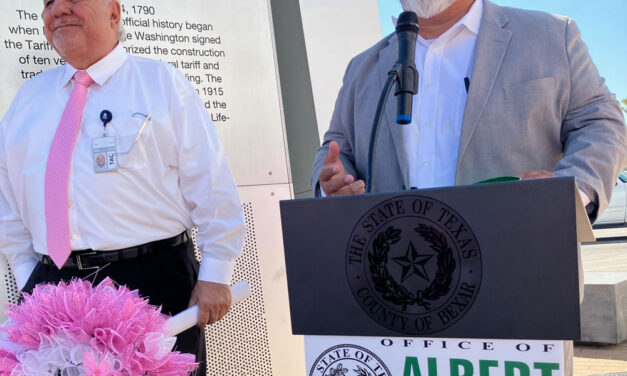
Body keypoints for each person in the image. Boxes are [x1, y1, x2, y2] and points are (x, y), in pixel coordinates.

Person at [0, 0, 245, 374]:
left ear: (114, 13)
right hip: (54, 290)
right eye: (48, 3)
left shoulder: (162, 84)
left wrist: (216, 272)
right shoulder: (28, 100)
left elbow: (211, 183)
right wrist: (27, 279)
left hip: (151, 281)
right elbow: (8, 201)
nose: (59, 9)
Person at [312, 0, 627, 222]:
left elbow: (602, 122)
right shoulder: (361, 68)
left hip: (523, 279)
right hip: (397, 289)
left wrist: (571, 191)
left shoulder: (552, 36)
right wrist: (333, 185)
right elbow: (336, 147)